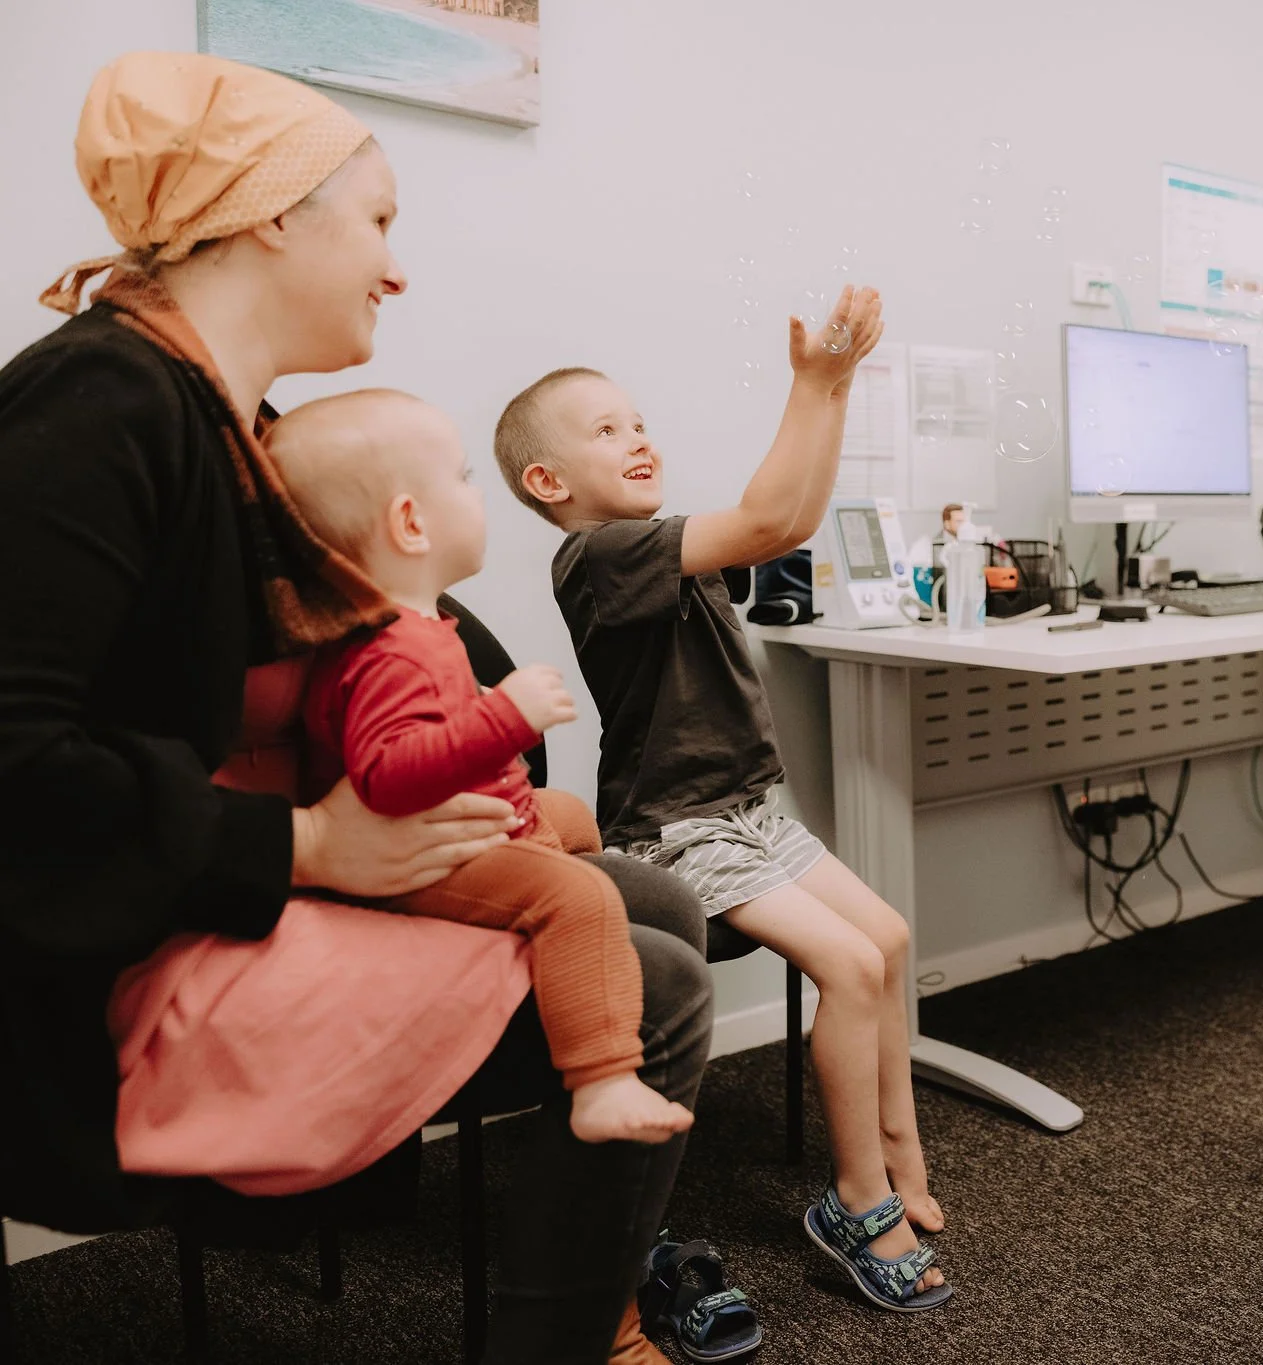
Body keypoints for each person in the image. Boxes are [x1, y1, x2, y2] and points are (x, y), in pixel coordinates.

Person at [0, 53, 710, 1364]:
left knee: (659, 901)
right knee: (655, 981)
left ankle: (597, 1299)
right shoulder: (103, 405)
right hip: (121, 943)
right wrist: (311, 849)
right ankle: (580, 1339)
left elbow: (393, 633)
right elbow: (15, 755)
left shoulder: (226, 418)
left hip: (224, 869)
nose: (397, 267)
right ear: (274, 214)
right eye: (380, 221)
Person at [490, 294, 955, 1313]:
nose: (639, 438)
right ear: (547, 480)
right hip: (675, 829)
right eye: (606, 430)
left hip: (744, 808)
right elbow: (769, 521)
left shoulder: (657, 541)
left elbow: (784, 519)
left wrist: (832, 390)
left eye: (640, 421)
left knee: (883, 938)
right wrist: (817, 385)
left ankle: (898, 1163)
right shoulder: (599, 559)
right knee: (843, 961)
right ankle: (854, 1205)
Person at [270, 390, 693, 1145]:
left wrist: (483, 715)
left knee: (569, 816)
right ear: (410, 522)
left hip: (485, 818)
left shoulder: (419, 626)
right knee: (578, 898)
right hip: (429, 858)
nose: (478, 495)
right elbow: (390, 774)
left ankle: (562, 947)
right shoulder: (384, 647)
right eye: (464, 479)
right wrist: (504, 717)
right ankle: (601, 1076)